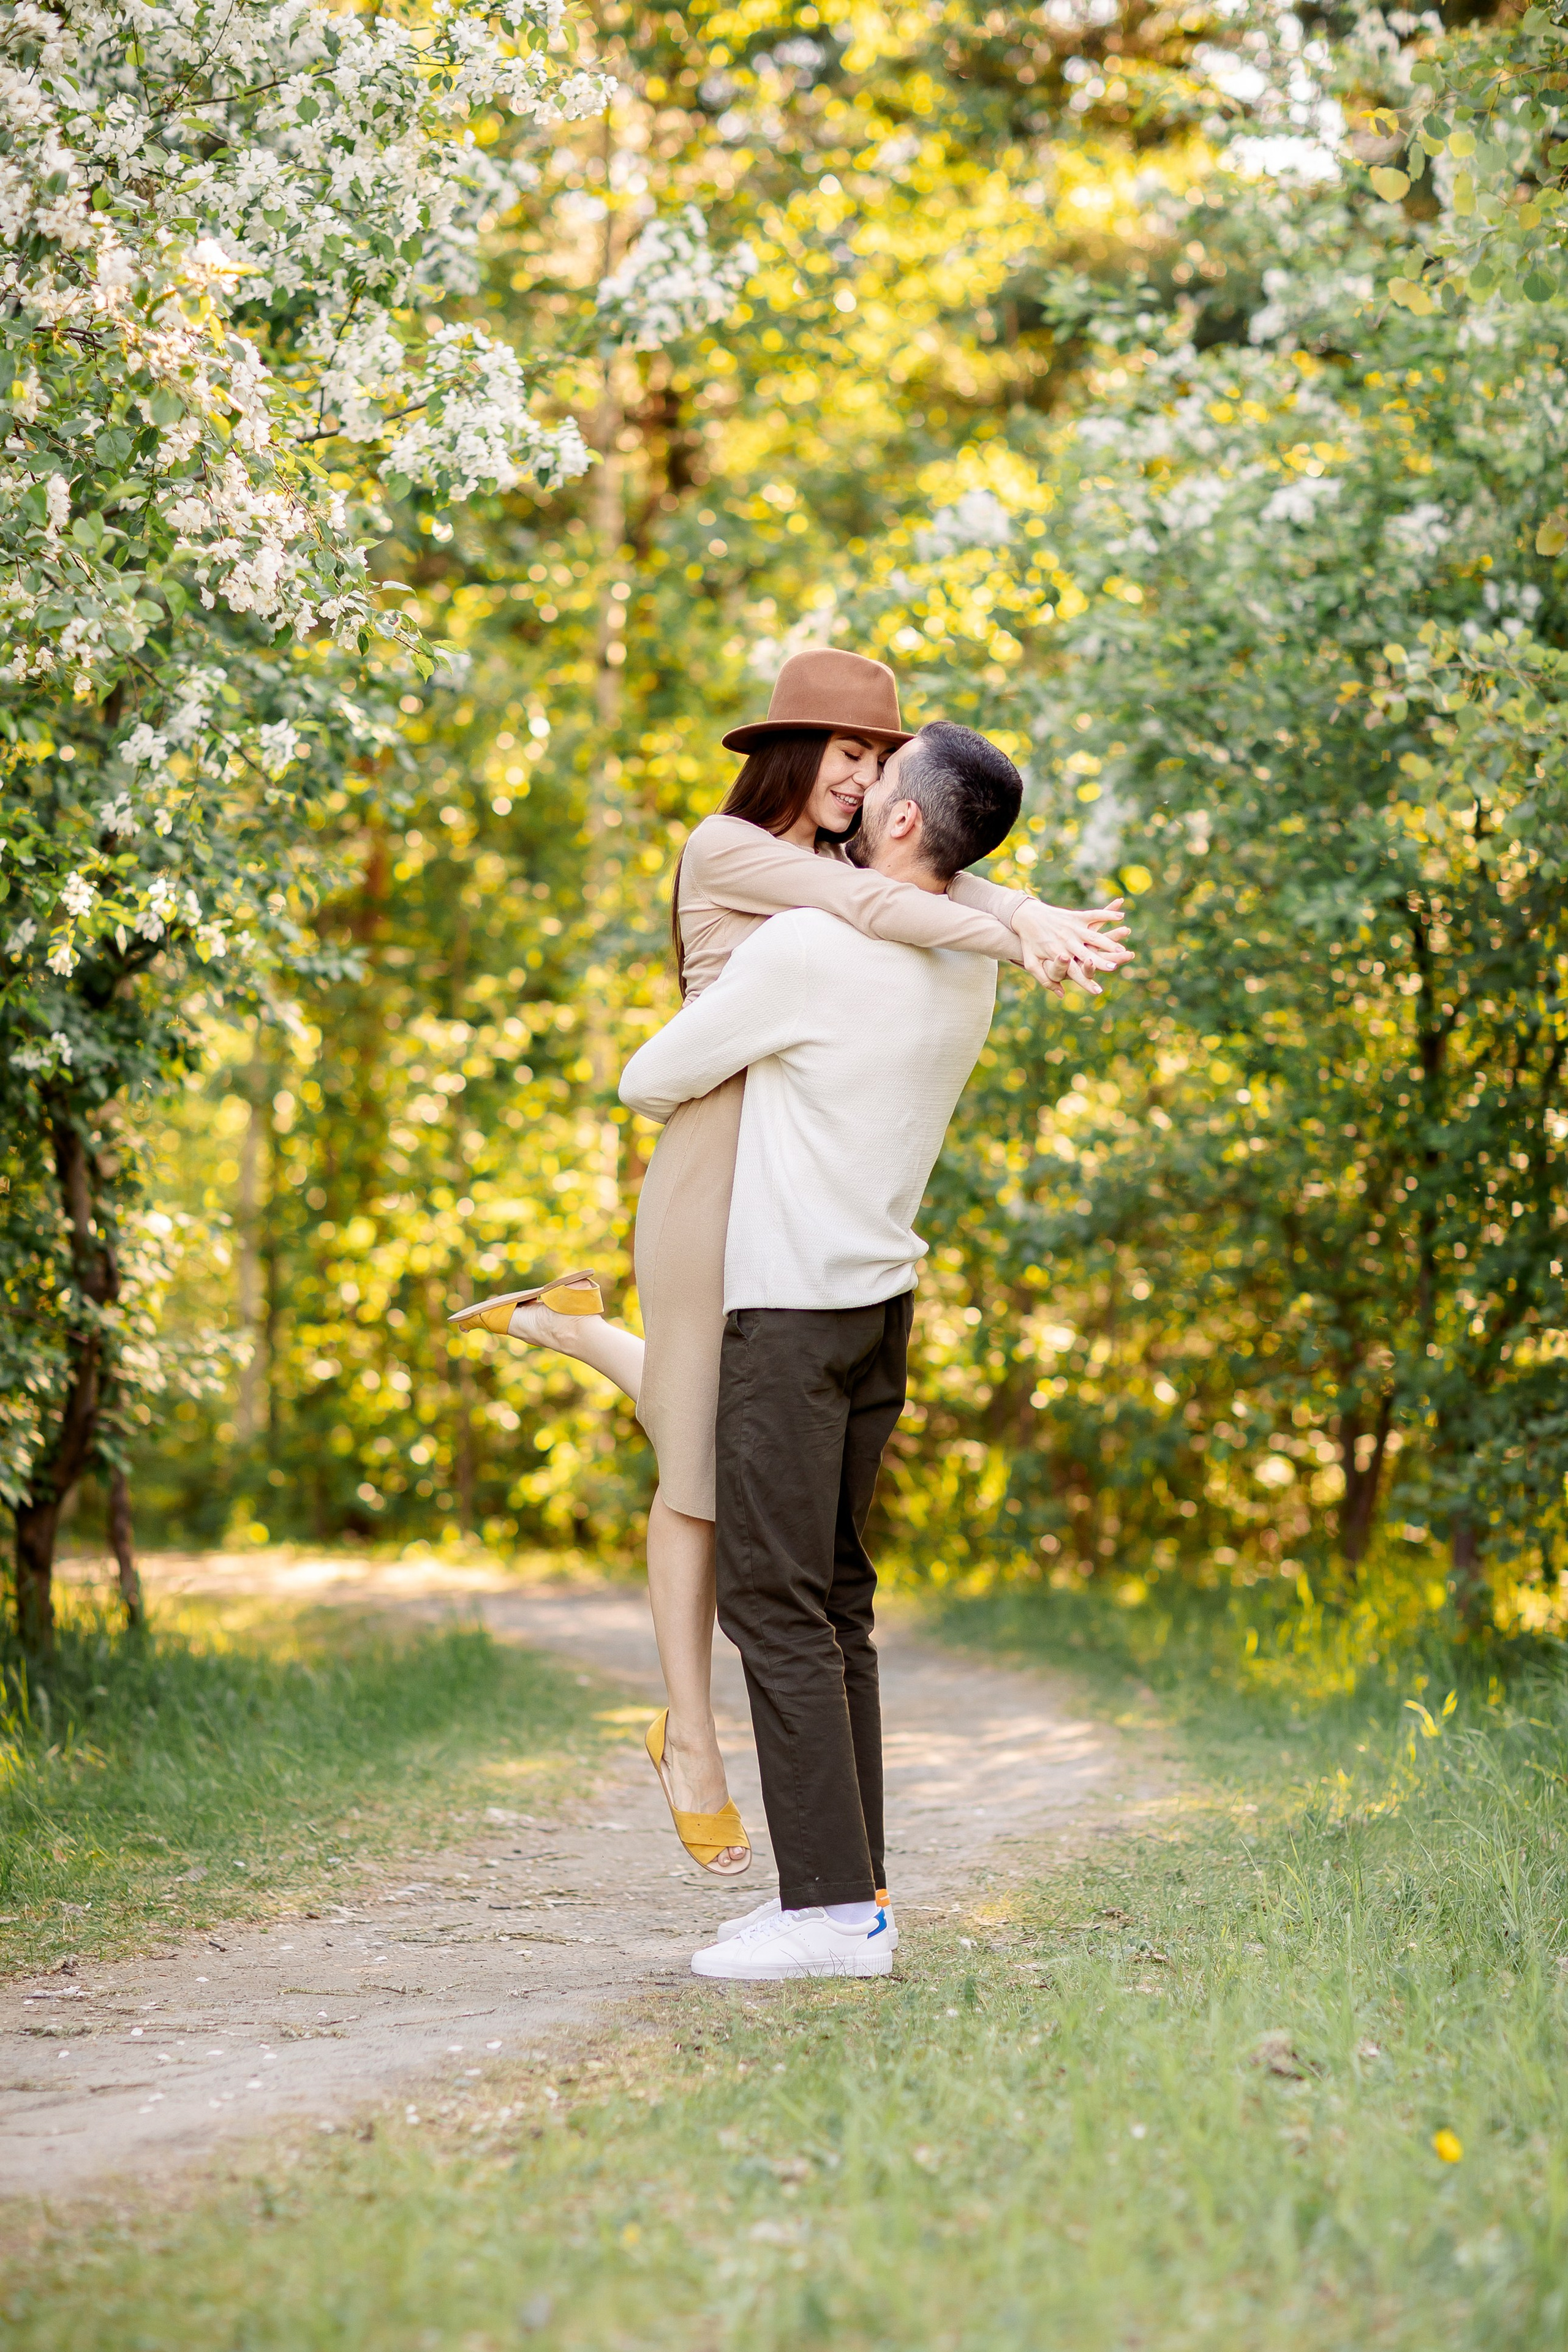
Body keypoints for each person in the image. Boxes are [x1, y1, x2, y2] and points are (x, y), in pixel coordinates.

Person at [451, 650, 1131, 1879]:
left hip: (777, 1146)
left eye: (878, 761)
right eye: (846, 754)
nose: (861, 779)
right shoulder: (727, 850)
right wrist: (1010, 920)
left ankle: (571, 1330)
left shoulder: (837, 867)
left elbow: (927, 886)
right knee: (697, 1471)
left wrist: (1015, 909)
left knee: (708, 1433)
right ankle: (694, 1739)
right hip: (711, 1147)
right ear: (795, 754)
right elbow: (892, 910)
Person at [619, 719, 1038, 1978]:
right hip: (876, 1315)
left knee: (774, 1602)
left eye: (883, 776)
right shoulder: (971, 969)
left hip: (790, 1320)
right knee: (837, 1600)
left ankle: (829, 1919)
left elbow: (651, 1077)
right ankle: (853, 1889)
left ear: (900, 823)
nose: (860, 786)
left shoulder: (806, 948)